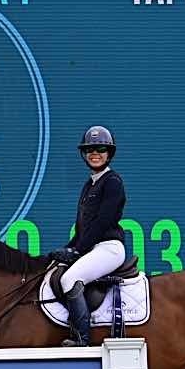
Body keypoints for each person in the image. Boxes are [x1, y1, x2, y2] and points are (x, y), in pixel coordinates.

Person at [46, 126, 127, 347]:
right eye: (90, 149)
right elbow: (83, 228)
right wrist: (66, 249)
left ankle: (82, 339)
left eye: (101, 148)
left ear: (109, 153)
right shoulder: (89, 184)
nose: (95, 153)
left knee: (69, 279)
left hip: (109, 247)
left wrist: (77, 249)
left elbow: (102, 222)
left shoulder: (113, 182)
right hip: (93, 247)